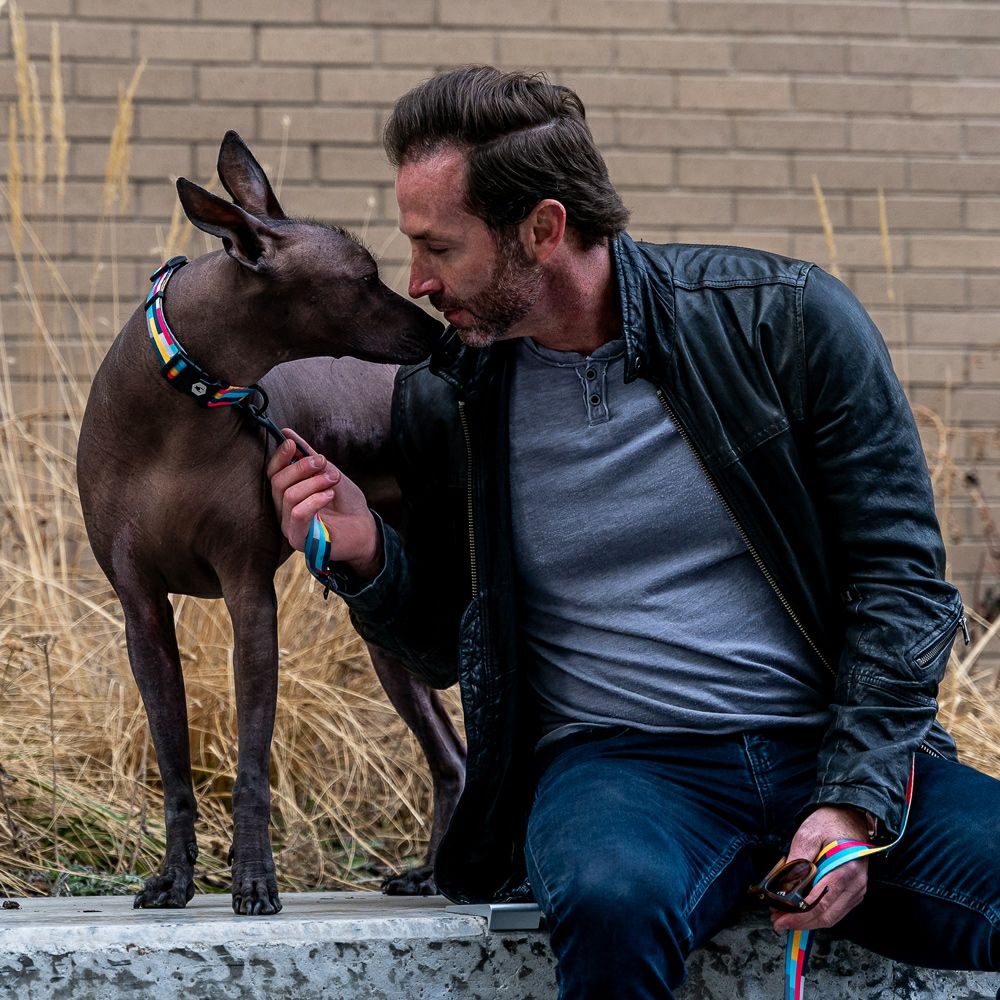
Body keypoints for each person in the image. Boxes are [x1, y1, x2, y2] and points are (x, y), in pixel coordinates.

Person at [268, 66, 999, 997]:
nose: (418, 282)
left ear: (543, 229)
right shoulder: (448, 397)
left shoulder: (783, 321)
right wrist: (367, 557)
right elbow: (449, 644)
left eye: (439, 247)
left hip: (834, 745)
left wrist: (853, 804)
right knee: (611, 901)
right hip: (623, 771)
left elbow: (903, 583)